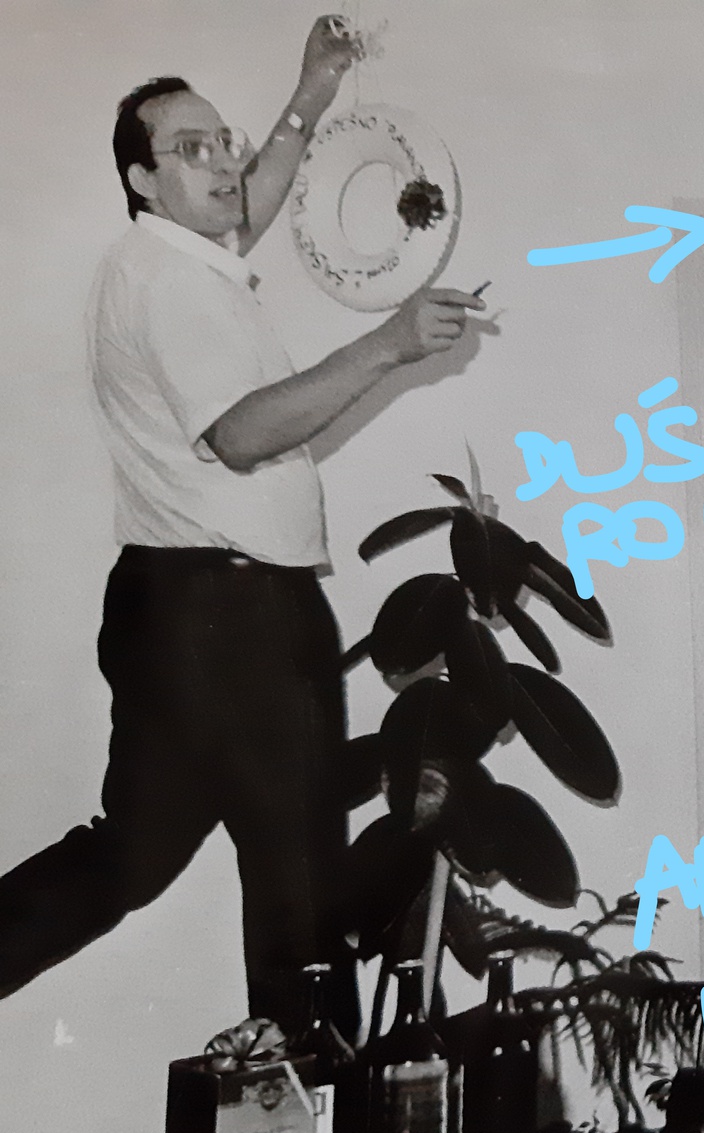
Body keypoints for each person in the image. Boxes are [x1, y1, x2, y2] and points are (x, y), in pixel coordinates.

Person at [0, 18, 488, 1032]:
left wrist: (312, 90)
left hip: (180, 610)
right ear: (141, 180)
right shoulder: (165, 283)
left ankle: (297, 1100)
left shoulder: (169, 258)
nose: (224, 162)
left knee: (133, 855)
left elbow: (247, 205)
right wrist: (387, 344)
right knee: (297, 897)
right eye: (192, 149)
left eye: (223, 140)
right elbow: (241, 432)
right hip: (235, 621)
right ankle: (315, 1117)